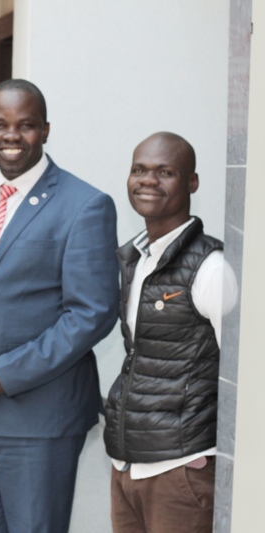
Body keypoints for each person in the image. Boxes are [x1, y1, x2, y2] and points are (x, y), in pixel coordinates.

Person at [0, 79, 120, 533]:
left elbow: (91, 314)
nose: (11, 136)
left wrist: (6, 373)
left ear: (46, 130)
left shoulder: (85, 205)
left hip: (40, 418)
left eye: (26, 125)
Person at [103, 132, 238, 533]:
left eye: (165, 172)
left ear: (192, 182)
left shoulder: (212, 268)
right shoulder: (135, 258)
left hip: (181, 472)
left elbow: (243, 375)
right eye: (139, 170)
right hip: (127, 467)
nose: (148, 180)